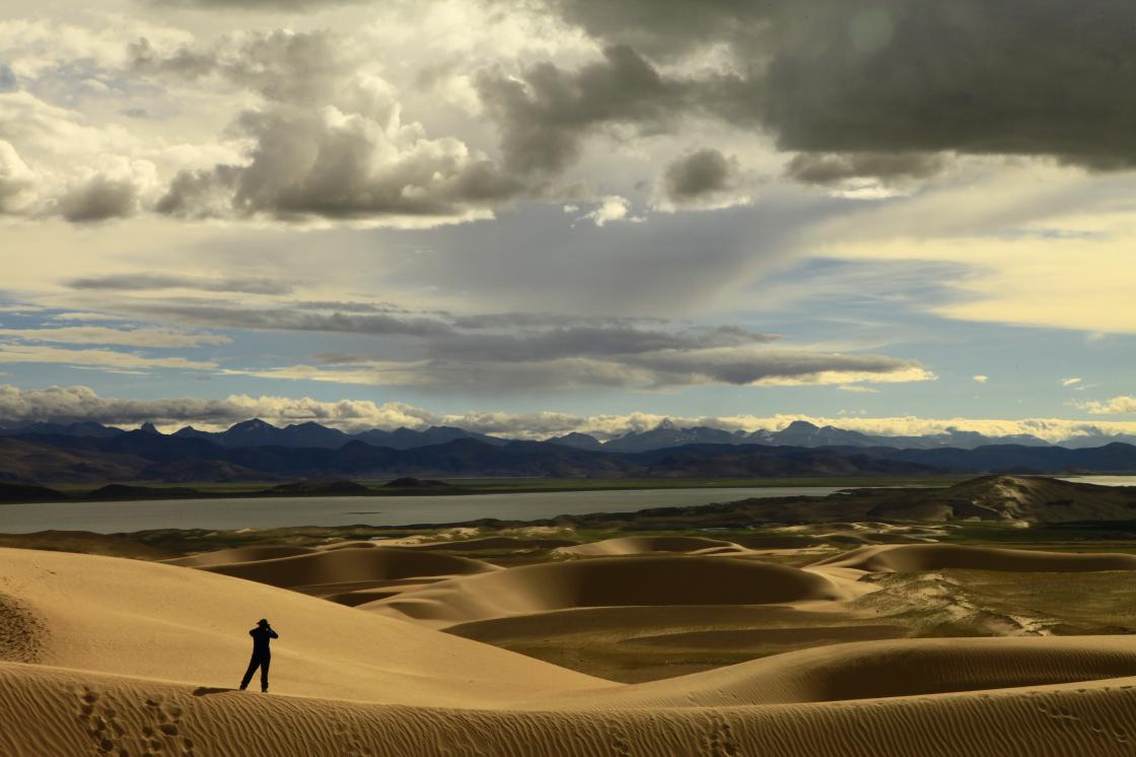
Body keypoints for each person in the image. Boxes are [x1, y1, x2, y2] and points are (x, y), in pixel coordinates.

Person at [239, 618, 279, 693]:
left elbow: (251, 632)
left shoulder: (256, 632)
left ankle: (243, 686)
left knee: (251, 671)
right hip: (265, 655)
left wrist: (261, 628)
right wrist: (269, 628)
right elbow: (275, 636)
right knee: (264, 672)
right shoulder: (267, 632)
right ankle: (264, 688)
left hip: (257, 654)